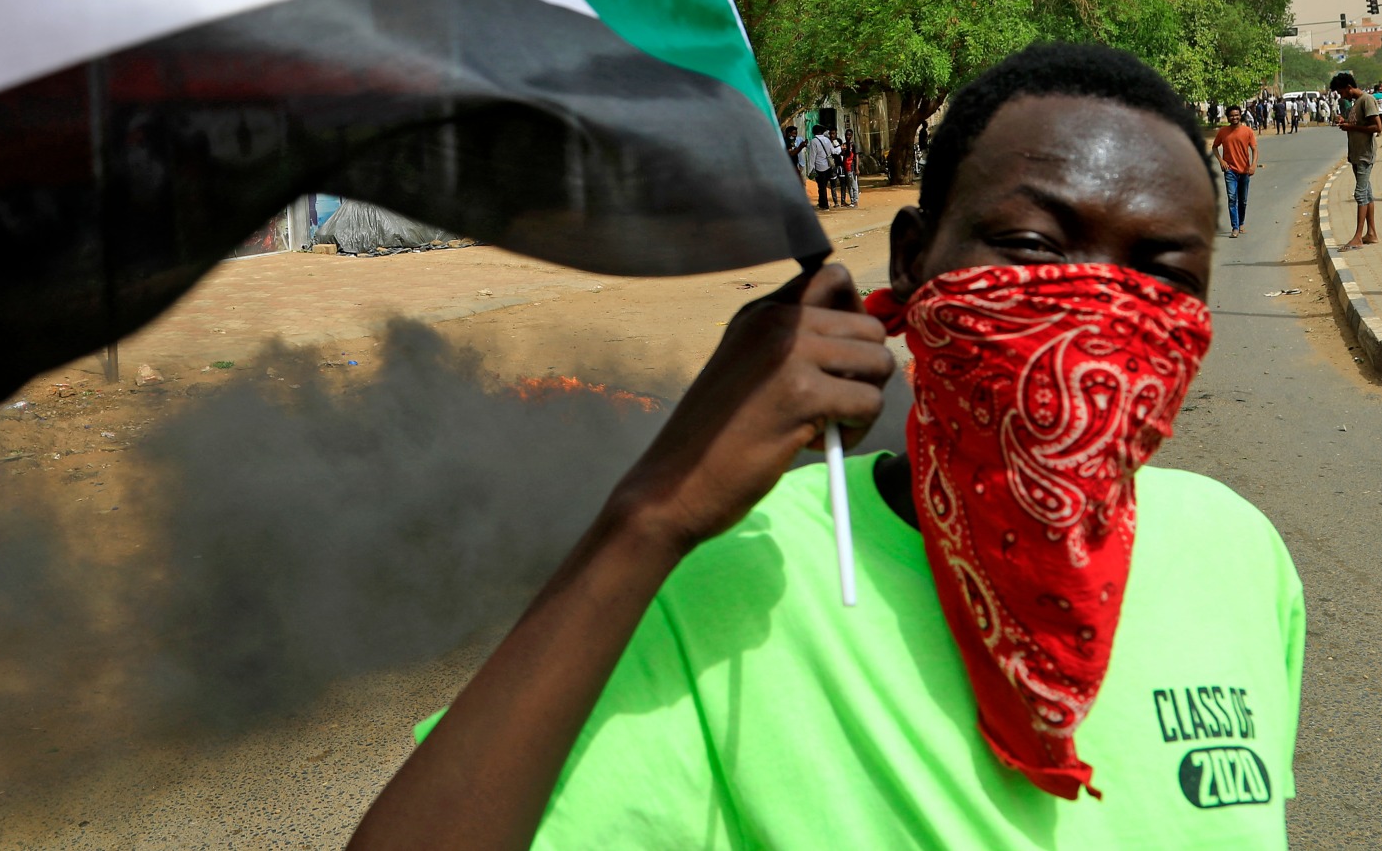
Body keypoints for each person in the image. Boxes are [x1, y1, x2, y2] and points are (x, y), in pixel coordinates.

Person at [353, 43, 1304, 851]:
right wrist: (648, 516)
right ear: (912, 260)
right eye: (1030, 241)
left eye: (1161, 269)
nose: (1095, 308)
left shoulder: (1239, 556)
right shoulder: (737, 591)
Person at [1331, 70, 1381, 250]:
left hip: (1364, 155)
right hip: (1357, 154)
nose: (1341, 95)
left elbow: (1377, 127)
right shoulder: (1356, 103)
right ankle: (1371, 233)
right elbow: (1359, 124)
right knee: (1367, 193)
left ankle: (1358, 237)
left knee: (1360, 194)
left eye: (1342, 92)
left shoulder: (1366, 100)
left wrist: (1351, 126)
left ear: (1349, 88)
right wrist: (1346, 122)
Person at [1212, 104, 1258, 238]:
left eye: (1236, 115)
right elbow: (1215, 147)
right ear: (1228, 117)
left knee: (1242, 200)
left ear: (1240, 116)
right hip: (1230, 171)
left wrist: (1253, 165)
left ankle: (1241, 222)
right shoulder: (1223, 132)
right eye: (1232, 115)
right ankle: (1235, 227)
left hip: (1244, 170)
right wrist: (1221, 161)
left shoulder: (1248, 131)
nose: (1234, 117)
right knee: (1232, 199)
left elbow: (1254, 149)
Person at [802, 126, 835, 211]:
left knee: (821, 186)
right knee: (823, 185)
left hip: (819, 167)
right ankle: (821, 203)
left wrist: (810, 170)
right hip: (828, 166)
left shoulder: (814, 141)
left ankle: (825, 205)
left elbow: (812, 157)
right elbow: (833, 151)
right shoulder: (827, 140)